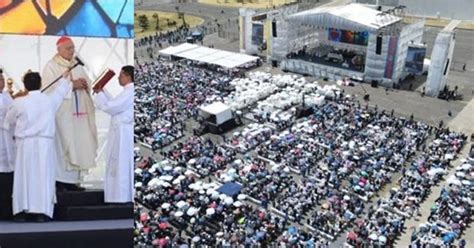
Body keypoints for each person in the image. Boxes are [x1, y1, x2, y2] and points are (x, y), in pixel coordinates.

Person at [3, 71, 72, 222]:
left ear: (25, 85)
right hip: (44, 144)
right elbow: (61, 90)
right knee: (43, 176)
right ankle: (42, 211)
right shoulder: (49, 100)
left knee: (24, 176)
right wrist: (66, 76)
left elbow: (8, 122)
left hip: (25, 143)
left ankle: (21, 210)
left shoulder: (19, 102)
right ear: (40, 84)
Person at [42, 36, 98, 192]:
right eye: (68, 48)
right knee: (64, 147)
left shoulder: (77, 64)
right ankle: (61, 181)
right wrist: (72, 85)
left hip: (80, 114)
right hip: (63, 115)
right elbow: (48, 91)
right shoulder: (51, 66)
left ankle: (74, 181)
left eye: (72, 47)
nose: (71, 51)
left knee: (79, 145)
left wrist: (85, 84)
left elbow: (87, 81)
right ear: (59, 49)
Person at [93, 66, 134, 203]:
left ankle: (121, 196)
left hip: (123, 133)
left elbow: (111, 107)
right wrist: (102, 92)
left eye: (121, 75)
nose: (118, 78)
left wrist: (99, 94)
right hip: (120, 130)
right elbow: (115, 103)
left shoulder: (130, 91)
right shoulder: (127, 92)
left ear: (128, 76)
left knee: (121, 163)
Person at [0, 69, 15, 220]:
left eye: (3, 79)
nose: (2, 82)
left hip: (7, 140)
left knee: (7, 176)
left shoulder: (6, 96)